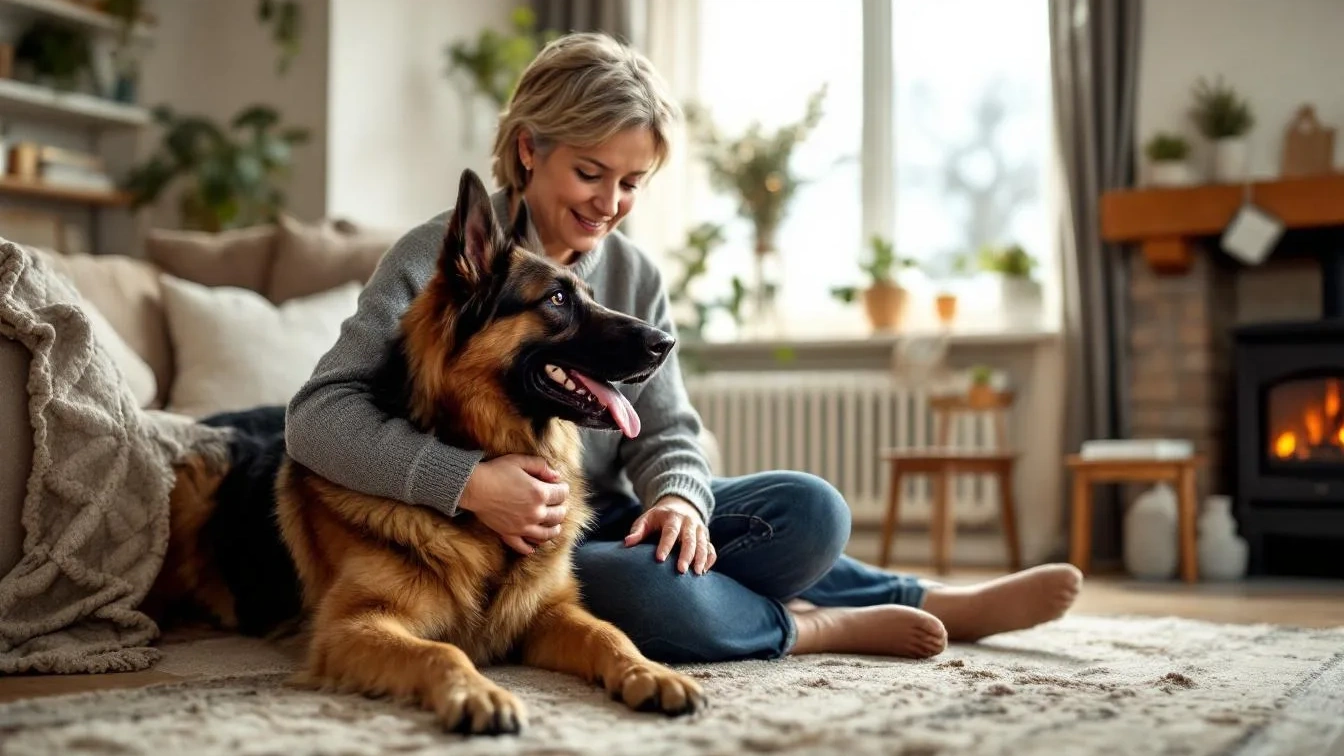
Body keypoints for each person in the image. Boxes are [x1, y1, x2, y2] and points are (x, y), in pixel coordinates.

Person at [285, 31, 1082, 665]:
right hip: (502, 545)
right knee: (658, 600)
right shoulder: (440, 259)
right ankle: (809, 629)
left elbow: (666, 430)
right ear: (530, 150)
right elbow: (317, 416)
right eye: (591, 173)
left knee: (810, 511)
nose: (610, 204)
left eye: (632, 184)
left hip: (609, 518)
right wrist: (466, 482)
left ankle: (925, 596)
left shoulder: (632, 274)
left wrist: (680, 502)